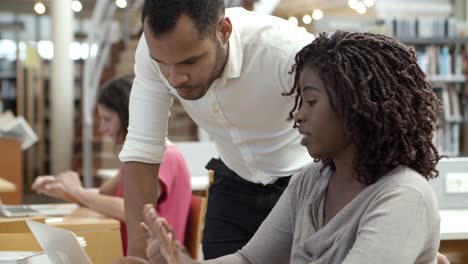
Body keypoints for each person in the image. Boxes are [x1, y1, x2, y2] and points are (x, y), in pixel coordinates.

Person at [129, 31, 449, 264]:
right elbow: (249, 261)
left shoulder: (404, 196)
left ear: (356, 108)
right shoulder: (310, 181)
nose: (298, 115)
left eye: (310, 101)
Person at [120, 0, 314, 259]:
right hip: (234, 179)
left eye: (190, 61)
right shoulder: (153, 52)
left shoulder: (285, 50)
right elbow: (142, 150)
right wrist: (137, 255)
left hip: (302, 182)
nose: (175, 78)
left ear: (223, 31)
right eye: (163, 64)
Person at [31, 76, 191, 256]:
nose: (101, 128)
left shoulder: (164, 157)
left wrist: (77, 191)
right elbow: (102, 194)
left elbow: (134, 211)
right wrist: (61, 189)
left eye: (107, 119)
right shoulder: (136, 160)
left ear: (127, 116)